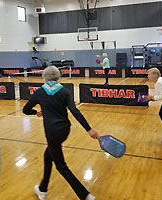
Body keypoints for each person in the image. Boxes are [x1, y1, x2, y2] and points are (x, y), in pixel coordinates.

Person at [23, 66, 98, 200]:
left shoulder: (40, 92)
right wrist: (89, 129)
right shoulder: (64, 91)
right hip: (65, 130)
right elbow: (75, 111)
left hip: (52, 132)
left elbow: (26, 109)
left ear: (45, 77)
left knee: (61, 166)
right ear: (58, 77)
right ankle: (42, 189)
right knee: (48, 156)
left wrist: (36, 112)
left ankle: (85, 196)